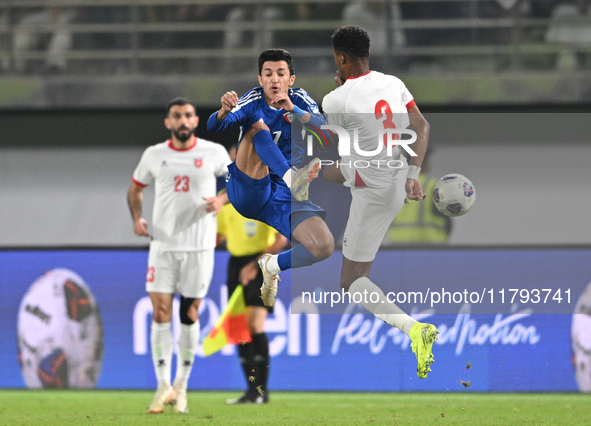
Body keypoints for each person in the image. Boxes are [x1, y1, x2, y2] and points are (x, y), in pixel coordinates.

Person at [321, 26, 438, 379]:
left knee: (351, 281)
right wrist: (413, 174)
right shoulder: (393, 82)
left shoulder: (334, 100)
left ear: (341, 58)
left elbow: (345, 161)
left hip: (372, 187)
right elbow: (421, 124)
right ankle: (413, 331)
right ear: (367, 54)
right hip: (398, 176)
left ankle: (414, 331)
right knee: (325, 172)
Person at [207, 48, 334, 308]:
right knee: (257, 128)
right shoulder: (252, 101)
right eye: (268, 74)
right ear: (260, 79)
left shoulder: (298, 98)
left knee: (323, 246)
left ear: (291, 79)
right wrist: (222, 111)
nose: (274, 79)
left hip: (281, 195)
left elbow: (326, 130)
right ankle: (292, 178)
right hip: (248, 190)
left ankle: (271, 264)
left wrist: (295, 111)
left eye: (280, 73)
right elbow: (214, 125)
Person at [128, 97, 231, 414]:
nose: (183, 121)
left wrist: (222, 199)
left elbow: (239, 185)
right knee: (160, 312)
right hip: (163, 245)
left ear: (195, 122)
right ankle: (162, 387)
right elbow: (135, 189)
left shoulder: (213, 153)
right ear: (168, 123)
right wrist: (137, 218)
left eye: (188, 115)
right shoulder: (154, 155)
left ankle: (181, 388)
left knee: (189, 315)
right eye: (177, 116)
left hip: (200, 246)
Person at [216, 161, 289, 403]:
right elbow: (219, 235)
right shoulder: (225, 201)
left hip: (261, 264)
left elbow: (281, 240)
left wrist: (254, 264)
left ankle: (261, 391)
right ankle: (250, 391)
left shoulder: (266, 196)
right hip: (235, 265)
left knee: (254, 326)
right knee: (239, 331)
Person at [381, 149, 452, 245]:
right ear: (425, 164)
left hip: (398, 251)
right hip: (429, 251)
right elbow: (448, 222)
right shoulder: (433, 187)